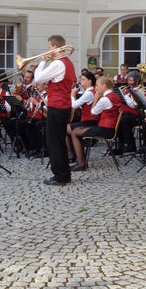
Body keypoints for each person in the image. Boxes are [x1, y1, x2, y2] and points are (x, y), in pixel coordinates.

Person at [34, 35, 76, 186]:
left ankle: (60, 176)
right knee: (59, 141)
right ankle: (64, 174)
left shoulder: (58, 63)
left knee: (54, 142)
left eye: (49, 47)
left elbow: (38, 79)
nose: (48, 50)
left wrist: (43, 62)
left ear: (54, 47)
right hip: (63, 106)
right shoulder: (68, 63)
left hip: (57, 106)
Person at [68, 76, 121, 171]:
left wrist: (96, 99)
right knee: (76, 130)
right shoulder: (115, 95)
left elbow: (93, 112)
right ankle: (80, 160)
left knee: (75, 132)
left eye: (97, 85)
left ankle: (81, 163)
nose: (95, 88)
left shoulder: (104, 99)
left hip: (105, 129)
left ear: (104, 86)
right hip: (109, 128)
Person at [66, 71, 99, 167]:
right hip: (89, 119)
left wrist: (72, 95)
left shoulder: (89, 93)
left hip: (89, 121)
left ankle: (71, 154)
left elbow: (74, 105)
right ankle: (74, 154)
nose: (81, 82)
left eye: (83, 80)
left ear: (90, 81)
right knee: (69, 129)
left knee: (64, 129)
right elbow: (83, 106)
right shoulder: (90, 92)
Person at [118, 71, 143, 154]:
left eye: (131, 80)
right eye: (128, 80)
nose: (129, 82)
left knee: (124, 120)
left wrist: (126, 98)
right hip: (127, 112)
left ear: (137, 81)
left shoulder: (140, 91)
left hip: (138, 114)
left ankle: (131, 145)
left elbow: (134, 106)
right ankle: (121, 145)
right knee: (118, 120)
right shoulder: (128, 89)